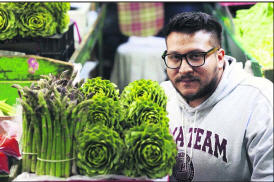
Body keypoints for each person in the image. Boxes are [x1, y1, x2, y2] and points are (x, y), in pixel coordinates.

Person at [160, 12, 273, 181]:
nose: (184, 69)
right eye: (175, 57)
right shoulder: (162, 96)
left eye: (196, 56)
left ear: (219, 58)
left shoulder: (258, 101)